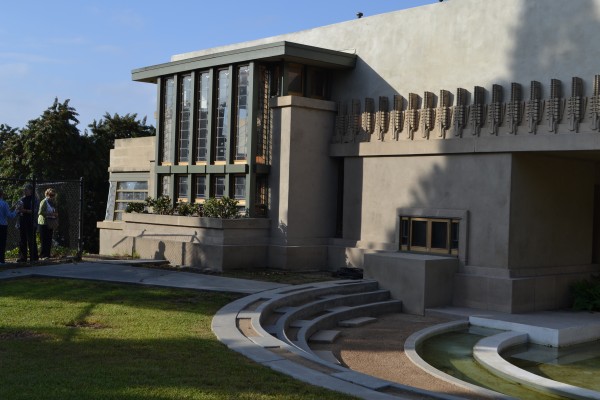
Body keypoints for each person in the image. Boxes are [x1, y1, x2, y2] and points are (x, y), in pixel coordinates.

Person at [17, 184, 39, 262]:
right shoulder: (22, 199)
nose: (25, 191)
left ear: (31, 190)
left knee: (31, 239)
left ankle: (34, 257)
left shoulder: (35, 199)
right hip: (22, 221)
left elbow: (35, 211)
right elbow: (18, 210)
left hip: (31, 222)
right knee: (22, 239)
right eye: (24, 190)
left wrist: (25, 211)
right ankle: (23, 257)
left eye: (26, 189)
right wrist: (19, 209)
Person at [38, 188, 58, 259]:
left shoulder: (53, 202)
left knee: (49, 238)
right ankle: (43, 254)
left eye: (53, 195)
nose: (52, 196)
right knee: (44, 239)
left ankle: (47, 254)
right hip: (43, 222)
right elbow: (40, 212)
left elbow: (55, 211)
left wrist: (55, 214)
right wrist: (49, 214)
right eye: (50, 195)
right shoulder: (43, 202)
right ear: (47, 194)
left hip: (50, 222)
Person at [0, 187, 18, 264]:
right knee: (2, 242)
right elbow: (10, 215)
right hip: (2, 225)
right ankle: (1, 260)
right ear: (2, 194)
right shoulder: (4, 204)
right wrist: (16, 210)